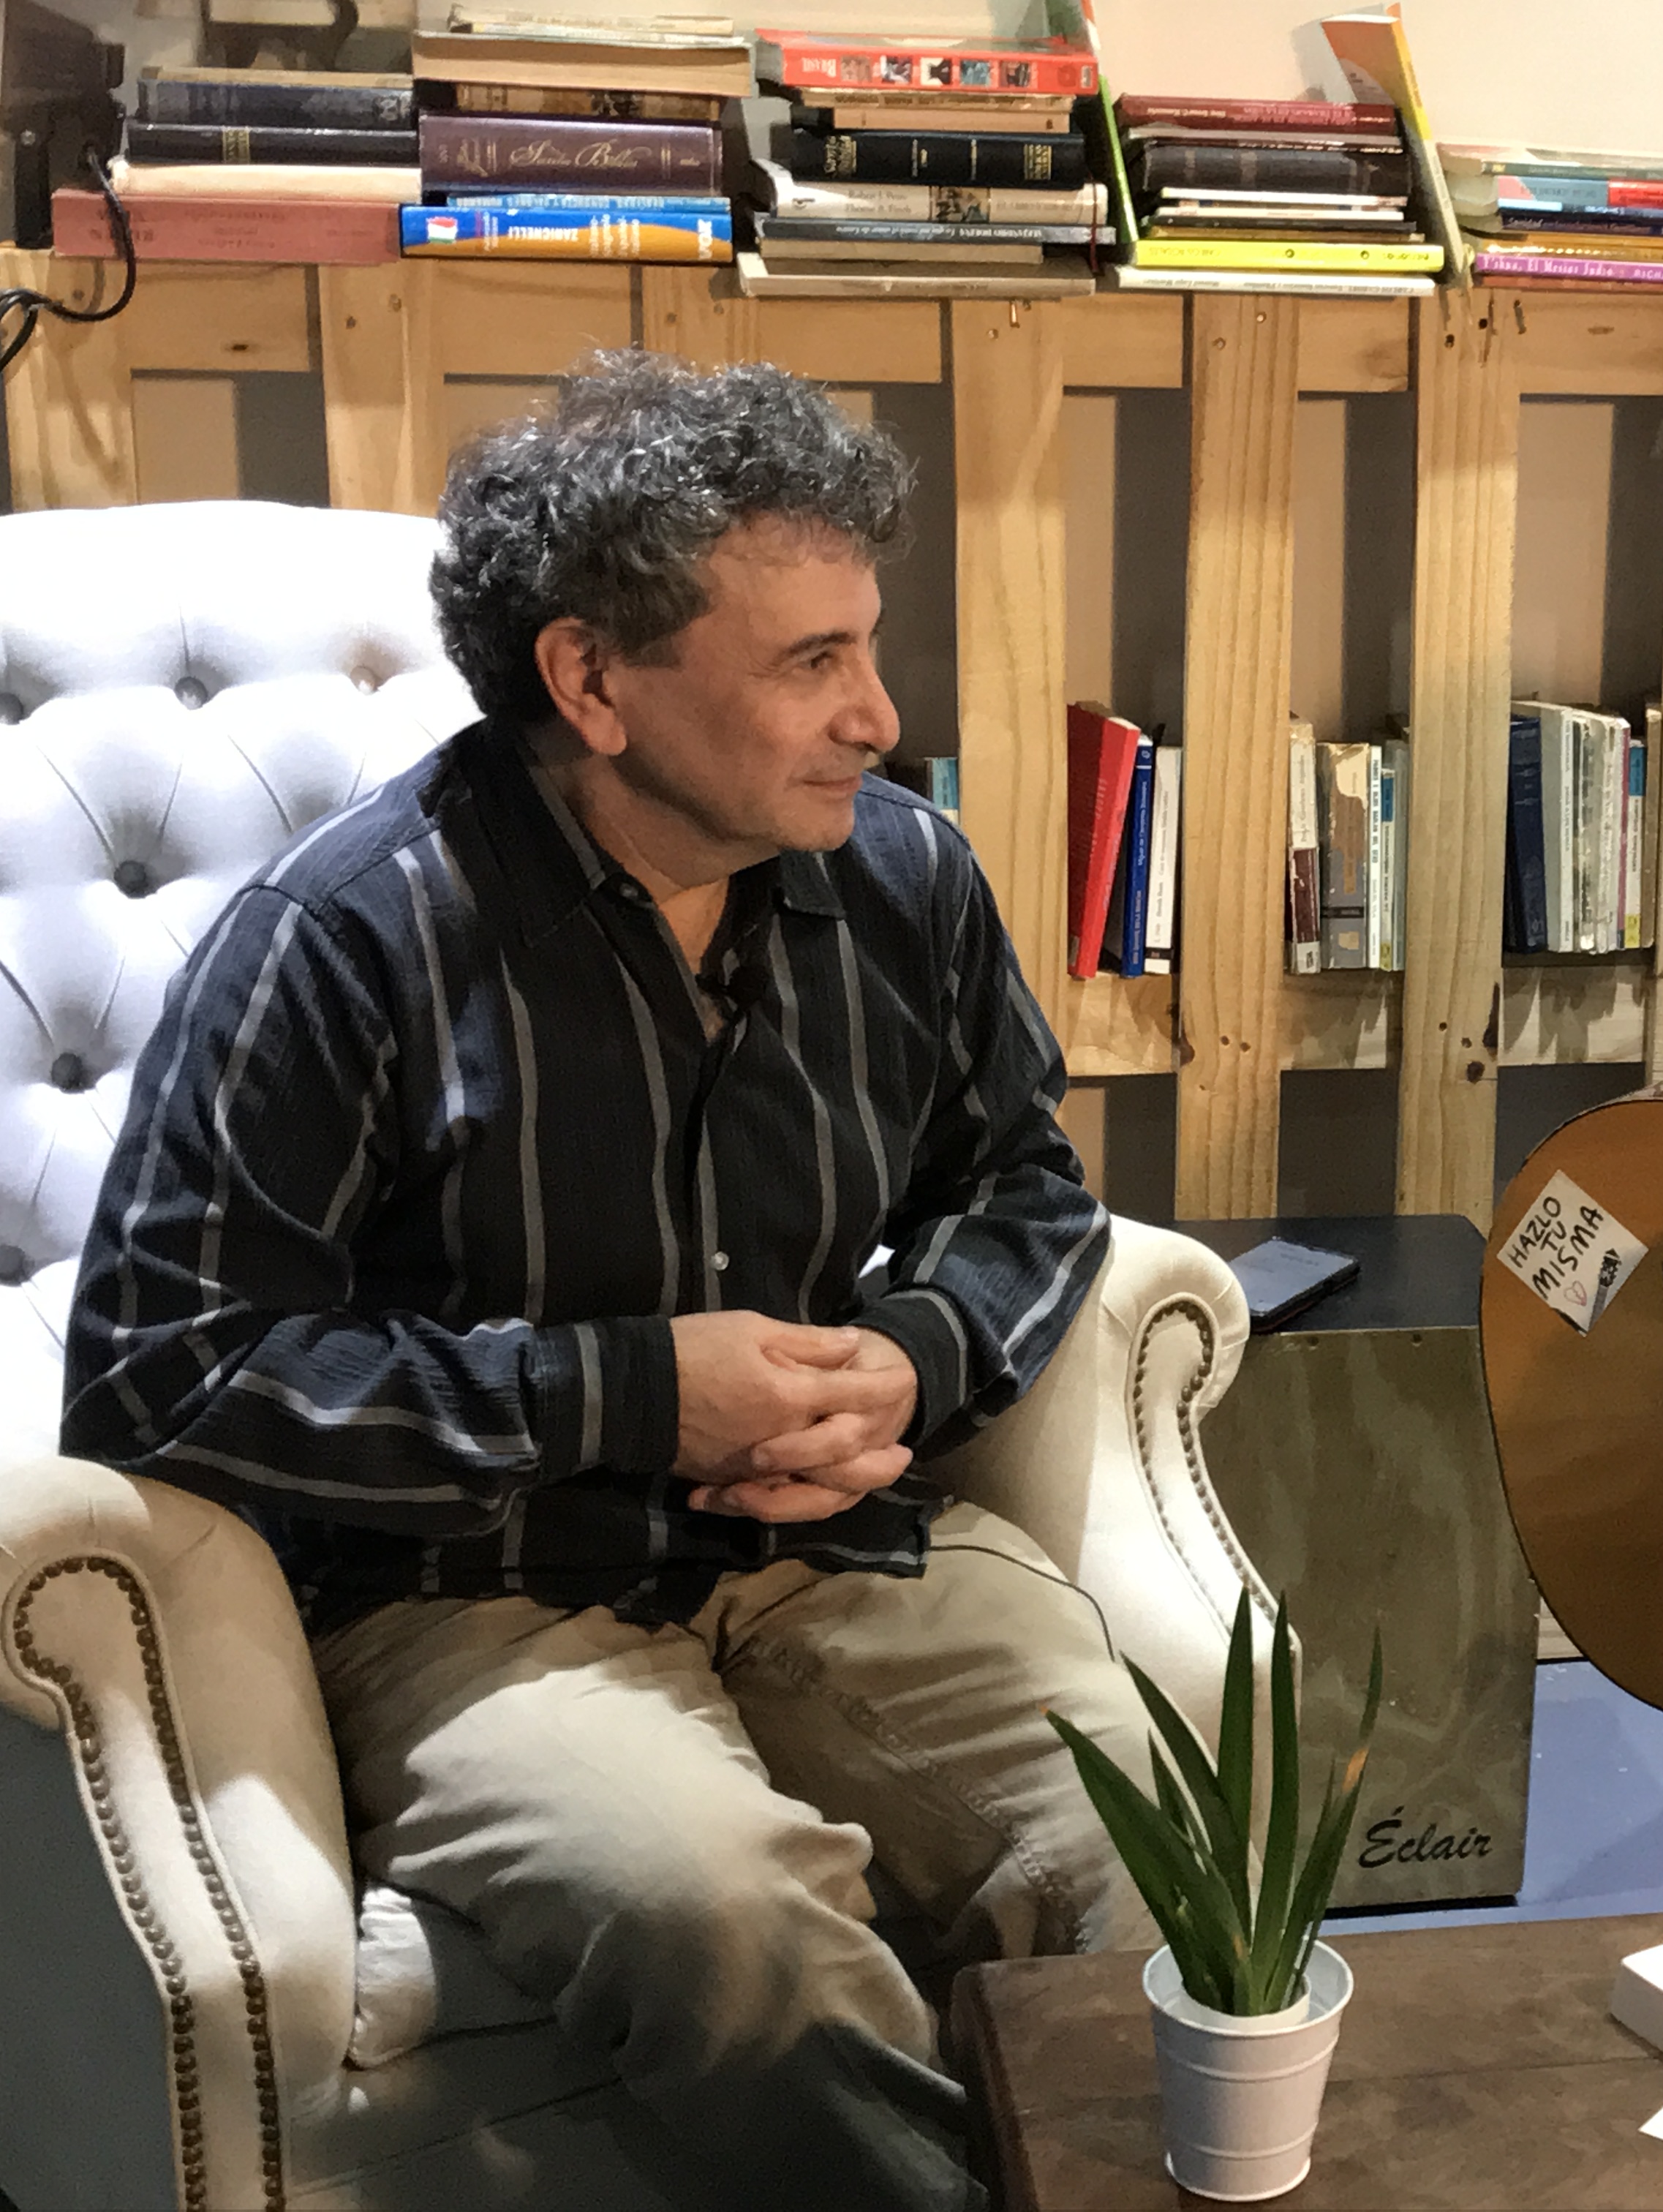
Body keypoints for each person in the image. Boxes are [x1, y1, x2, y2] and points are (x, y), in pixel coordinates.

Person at [60, 350, 1155, 2212]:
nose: (879, 714)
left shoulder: (905, 881)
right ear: (591, 680)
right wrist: (632, 1394)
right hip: (470, 1594)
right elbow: (162, 1372)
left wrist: (913, 1354)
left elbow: (1022, 1187)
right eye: (811, 661)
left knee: (1153, 1842)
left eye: (869, 645)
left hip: (837, 1544)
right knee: (727, 1924)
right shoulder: (347, 939)